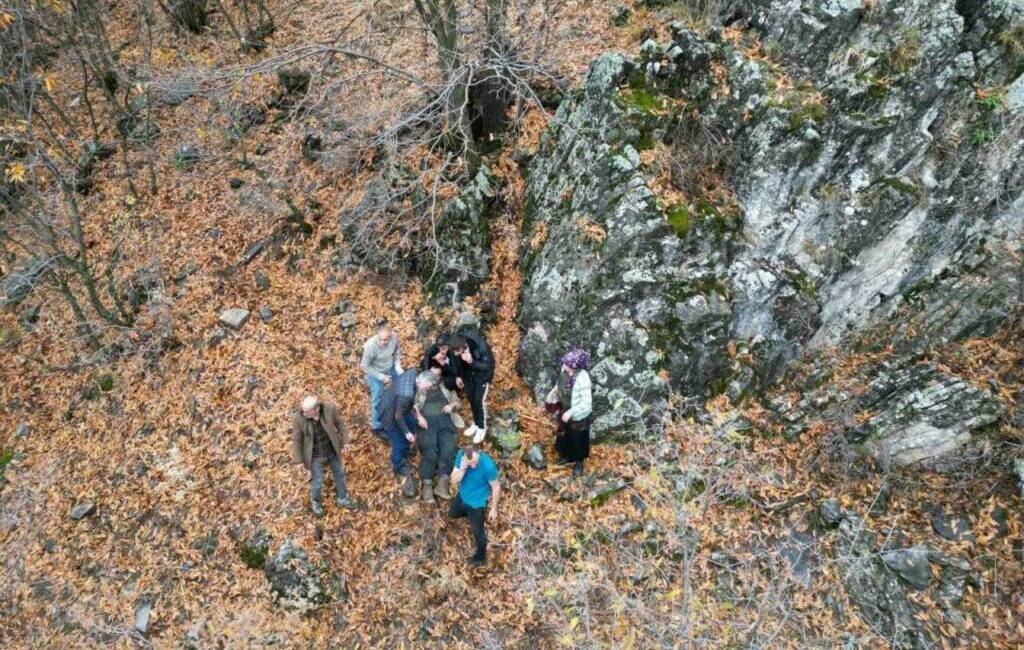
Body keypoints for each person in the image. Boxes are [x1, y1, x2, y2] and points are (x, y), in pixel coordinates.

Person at [291, 395, 360, 517]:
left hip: (331, 450)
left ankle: (342, 498)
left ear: (316, 409)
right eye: (303, 410)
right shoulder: (298, 418)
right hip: (315, 455)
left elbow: (340, 425)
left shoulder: (330, 409)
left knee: (339, 473)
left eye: (307, 411)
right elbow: (296, 440)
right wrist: (298, 461)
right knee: (318, 480)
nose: (303, 413)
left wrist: (345, 442)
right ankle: (315, 501)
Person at [414, 368, 463, 503]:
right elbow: (413, 406)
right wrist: (418, 417)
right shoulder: (421, 388)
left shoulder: (446, 387)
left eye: (437, 376)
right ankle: (427, 486)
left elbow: (459, 403)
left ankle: (442, 483)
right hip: (427, 422)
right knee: (429, 451)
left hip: (445, 420)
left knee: (448, 449)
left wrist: (452, 405)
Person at [448, 445, 500, 567]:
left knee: (478, 532)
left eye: (476, 461)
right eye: (471, 462)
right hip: (463, 495)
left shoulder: (488, 466)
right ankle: (467, 515)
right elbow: (454, 480)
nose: (474, 465)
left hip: (477, 504)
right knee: (452, 514)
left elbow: (496, 487)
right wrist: (463, 468)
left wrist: (494, 508)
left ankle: (480, 557)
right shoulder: (461, 455)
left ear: (479, 453)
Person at [544, 348, 593, 477]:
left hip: (579, 416)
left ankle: (578, 462)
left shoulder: (583, 379)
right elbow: (560, 383)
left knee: (578, 439)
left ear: (577, 367)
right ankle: (566, 456)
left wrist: (571, 412)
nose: (565, 367)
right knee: (564, 435)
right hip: (564, 409)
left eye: (569, 365)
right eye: (565, 364)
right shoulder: (564, 370)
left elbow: (587, 404)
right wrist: (554, 392)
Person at [377, 367, 419, 497]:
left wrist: (416, 417)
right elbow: (398, 417)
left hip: (398, 405)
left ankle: (406, 448)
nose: (427, 390)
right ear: (422, 383)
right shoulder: (407, 394)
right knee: (398, 441)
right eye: (427, 388)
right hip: (389, 414)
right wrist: (407, 433)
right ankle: (398, 465)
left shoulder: (413, 374)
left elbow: (406, 407)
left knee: (412, 423)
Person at [450, 326, 494, 444]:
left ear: (463, 347)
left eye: (457, 352)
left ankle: (482, 427)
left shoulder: (480, 347)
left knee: (479, 401)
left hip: (482, 377)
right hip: (467, 376)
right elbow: (455, 362)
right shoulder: (455, 346)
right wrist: (458, 376)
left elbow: (487, 367)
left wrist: (471, 361)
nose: (455, 354)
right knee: (472, 400)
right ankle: (476, 423)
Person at [361, 319, 403, 436]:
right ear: (377, 334)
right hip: (376, 373)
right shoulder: (370, 346)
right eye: (380, 339)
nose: (383, 342)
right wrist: (381, 377)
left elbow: (397, 351)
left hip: (391, 368)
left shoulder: (394, 337)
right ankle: (376, 426)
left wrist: (398, 366)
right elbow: (364, 366)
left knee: (399, 391)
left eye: (386, 340)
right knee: (377, 400)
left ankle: (396, 415)